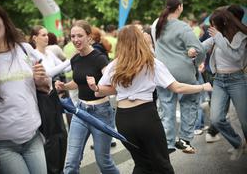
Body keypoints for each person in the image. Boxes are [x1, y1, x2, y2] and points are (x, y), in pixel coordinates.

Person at [86, 25, 212, 174]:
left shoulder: (114, 65)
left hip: (123, 119)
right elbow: (177, 88)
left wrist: (96, 88)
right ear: (139, 40)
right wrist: (203, 87)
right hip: (145, 116)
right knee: (161, 163)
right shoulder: (151, 63)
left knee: (141, 164)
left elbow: (101, 92)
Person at [0, 1, 49, 174]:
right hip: (1, 146)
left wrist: (41, 81)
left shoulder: (24, 49)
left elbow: (45, 86)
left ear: (3, 20)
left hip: (33, 137)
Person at [55, 20, 119, 174]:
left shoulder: (99, 58)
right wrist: (64, 86)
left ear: (89, 37)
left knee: (104, 162)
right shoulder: (75, 59)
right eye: (73, 36)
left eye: (80, 36)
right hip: (81, 111)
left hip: (101, 113)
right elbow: (77, 82)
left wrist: (97, 88)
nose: (76, 39)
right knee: (70, 164)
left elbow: (115, 87)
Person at [152, 0, 206, 154]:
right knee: (190, 102)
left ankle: (168, 142)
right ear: (180, 7)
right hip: (183, 73)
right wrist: (196, 63)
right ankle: (185, 138)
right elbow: (200, 50)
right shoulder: (183, 27)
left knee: (166, 107)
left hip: (162, 73)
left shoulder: (157, 24)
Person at [202, 9, 247, 161]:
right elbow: (203, 45)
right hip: (219, 80)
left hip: (237, 79)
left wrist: (219, 38)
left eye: (214, 24)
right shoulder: (216, 36)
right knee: (216, 119)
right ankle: (238, 143)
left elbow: (236, 58)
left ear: (224, 22)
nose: (212, 27)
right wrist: (192, 50)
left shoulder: (240, 36)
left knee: (244, 121)